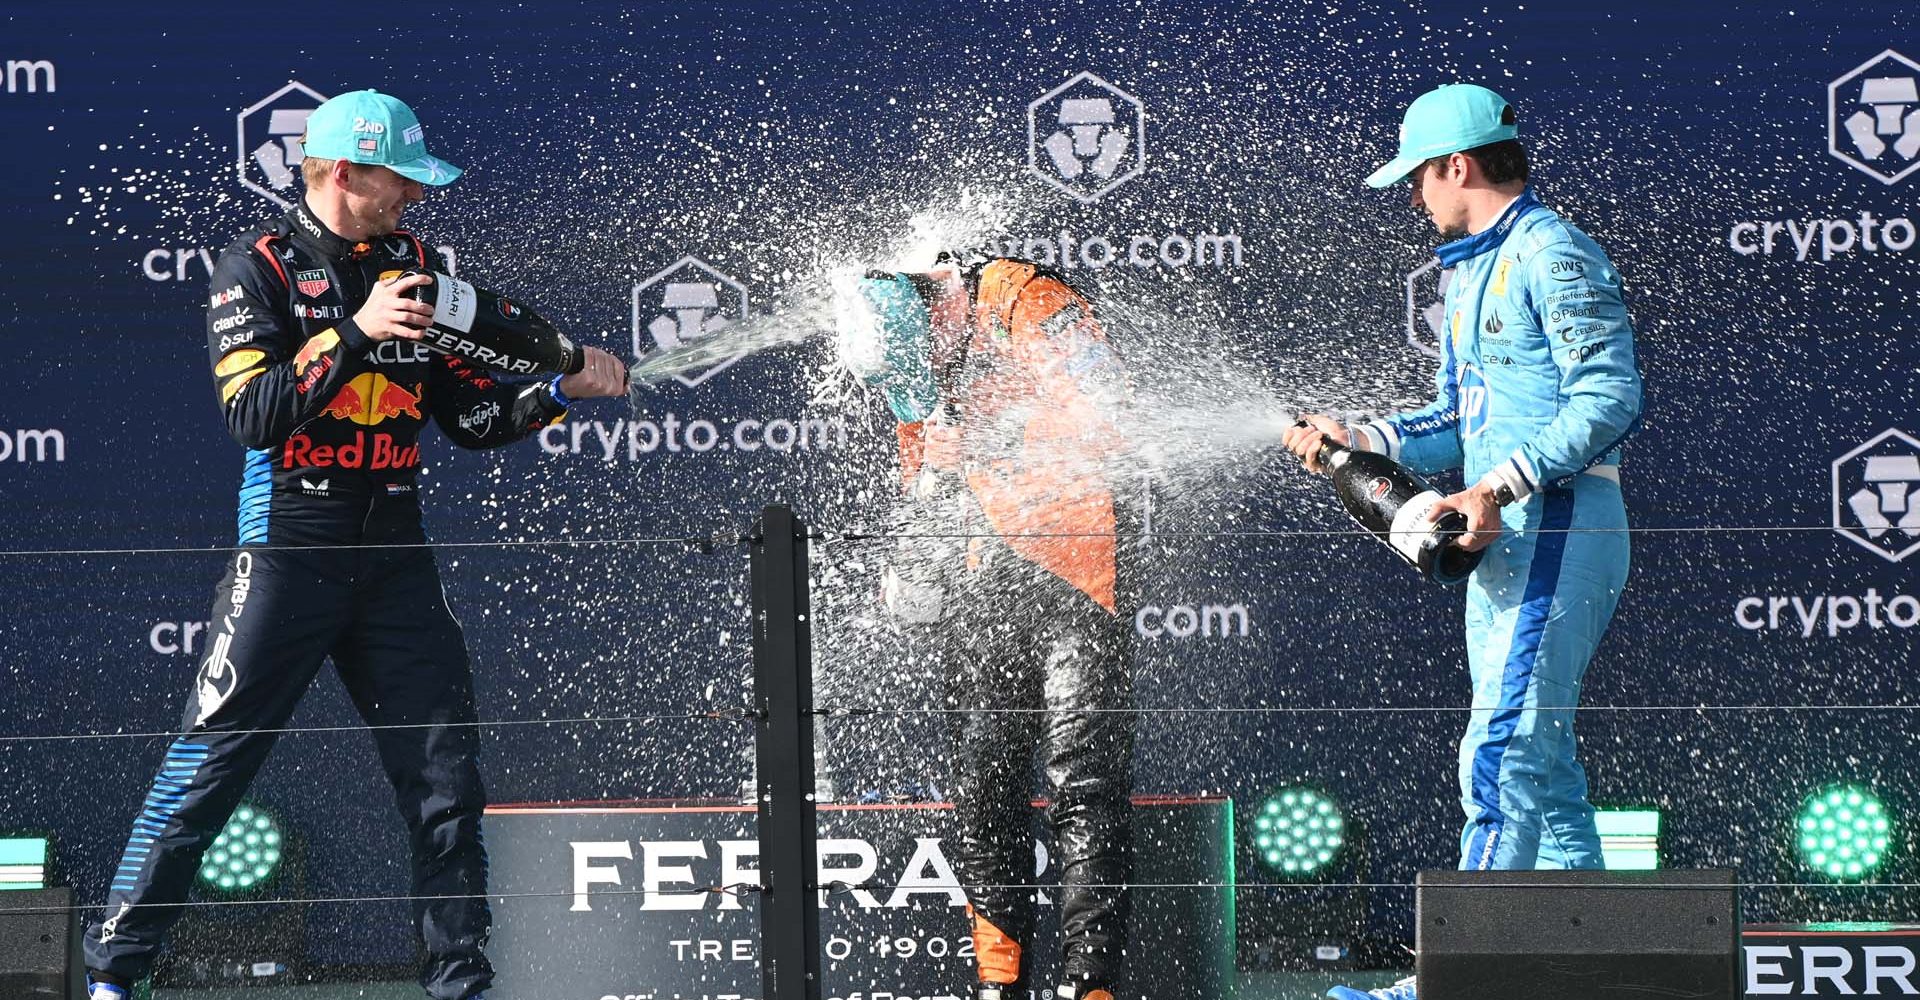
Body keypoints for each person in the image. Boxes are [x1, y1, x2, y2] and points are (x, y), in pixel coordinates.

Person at [83, 89, 627, 1000]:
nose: (416, 198)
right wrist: (354, 330)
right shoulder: (253, 269)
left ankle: (461, 984)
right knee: (211, 769)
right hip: (291, 547)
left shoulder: (414, 264)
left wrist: (558, 393)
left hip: (395, 555)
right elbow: (252, 413)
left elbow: (470, 416)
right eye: (401, 181)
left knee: (444, 783)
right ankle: (111, 979)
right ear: (344, 173)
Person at [1280, 84, 1642, 1000]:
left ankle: (1452, 982)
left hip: (1557, 525)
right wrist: (1357, 436)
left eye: (1416, 179)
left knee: (1500, 753)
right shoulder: (1466, 269)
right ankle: (1592, 972)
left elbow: (1609, 398)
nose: (1413, 199)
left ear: (1457, 166)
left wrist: (1499, 484)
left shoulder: (1552, 252)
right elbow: (1455, 418)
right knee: (1540, 768)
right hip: (1506, 539)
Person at [838, 257, 1137, 1000]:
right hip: (984, 580)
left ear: (939, 311)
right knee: (983, 786)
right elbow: (923, 468)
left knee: (1081, 781)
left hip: (1079, 567)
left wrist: (985, 433)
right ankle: (997, 984)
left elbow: (1112, 417)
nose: (927, 382)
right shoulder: (907, 356)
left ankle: (1089, 985)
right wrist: (915, 560)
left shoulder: (1024, 299)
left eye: (929, 362)